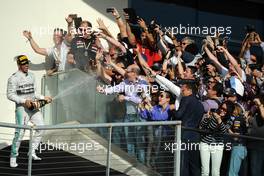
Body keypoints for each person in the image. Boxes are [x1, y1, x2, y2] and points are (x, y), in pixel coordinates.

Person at [7, 55, 52, 167]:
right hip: (22, 109)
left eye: (27, 63)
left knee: (41, 127)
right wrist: (23, 101)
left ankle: (31, 152)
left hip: (33, 106)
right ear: (19, 65)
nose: (26, 65)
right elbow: (10, 95)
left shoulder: (32, 75)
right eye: (24, 64)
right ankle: (13, 157)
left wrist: (43, 97)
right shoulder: (13, 78)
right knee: (20, 133)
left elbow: (34, 93)